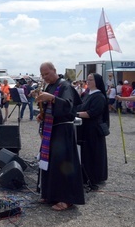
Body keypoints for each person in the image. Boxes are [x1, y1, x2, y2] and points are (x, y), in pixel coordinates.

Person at [35, 62, 85, 211]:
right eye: (43, 75)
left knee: (63, 165)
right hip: (51, 130)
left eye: (47, 74)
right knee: (50, 163)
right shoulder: (49, 87)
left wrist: (52, 98)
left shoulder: (65, 86)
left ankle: (66, 198)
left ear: (54, 70)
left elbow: (69, 107)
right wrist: (42, 115)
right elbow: (51, 109)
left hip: (63, 131)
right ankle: (50, 194)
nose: (45, 77)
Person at [76, 73, 109, 187]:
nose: (88, 82)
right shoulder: (87, 94)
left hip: (93, 130)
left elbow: (92, 113)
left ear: (97, 82)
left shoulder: (99, 96)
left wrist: (75, 114)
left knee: (93, 153)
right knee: (85, 153)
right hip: (84, 128)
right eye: (87, 80)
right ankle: (85, 175)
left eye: (90, 80)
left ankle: (94, 176)